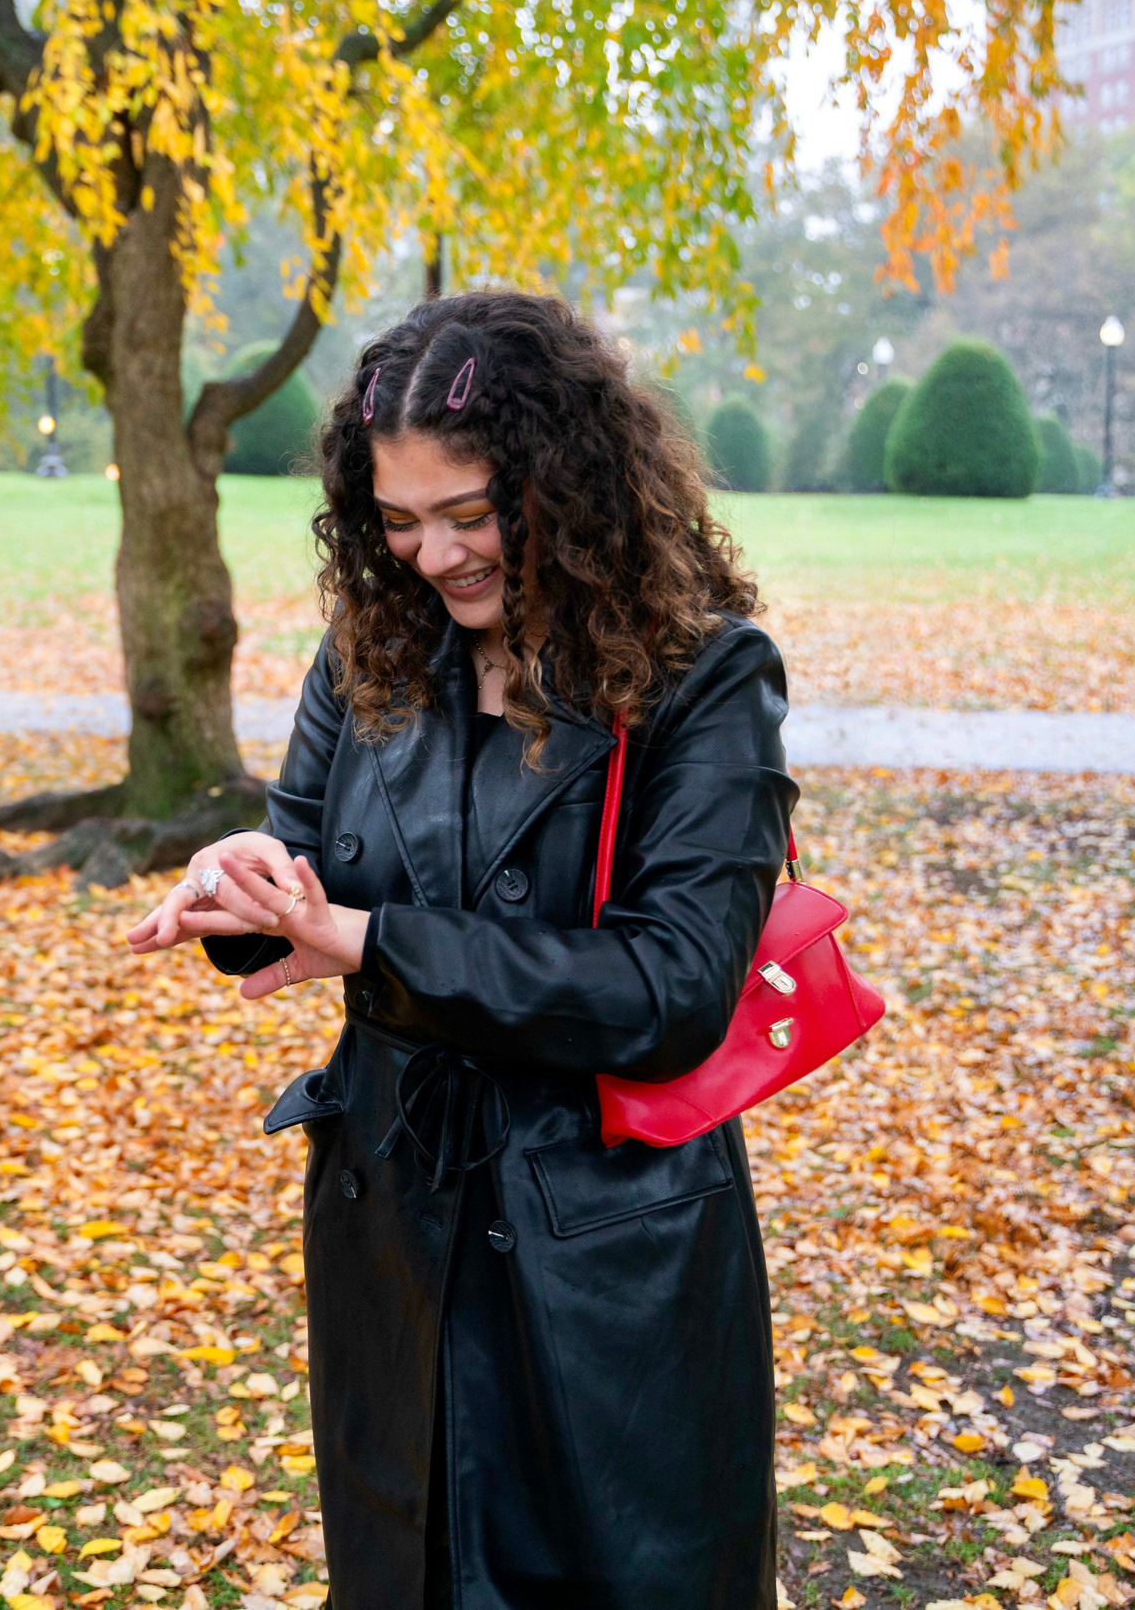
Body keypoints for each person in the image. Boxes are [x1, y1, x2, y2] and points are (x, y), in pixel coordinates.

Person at [129, 291, 795, 1610]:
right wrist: (236, 885)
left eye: (469, 514)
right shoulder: (370, 652)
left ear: (567, 483)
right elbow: (307, 869)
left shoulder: (704, 679)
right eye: (396, 522)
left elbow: (670, 992)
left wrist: (375, 942)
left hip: (607, 1265)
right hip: (395, 1233)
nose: (432, 558)